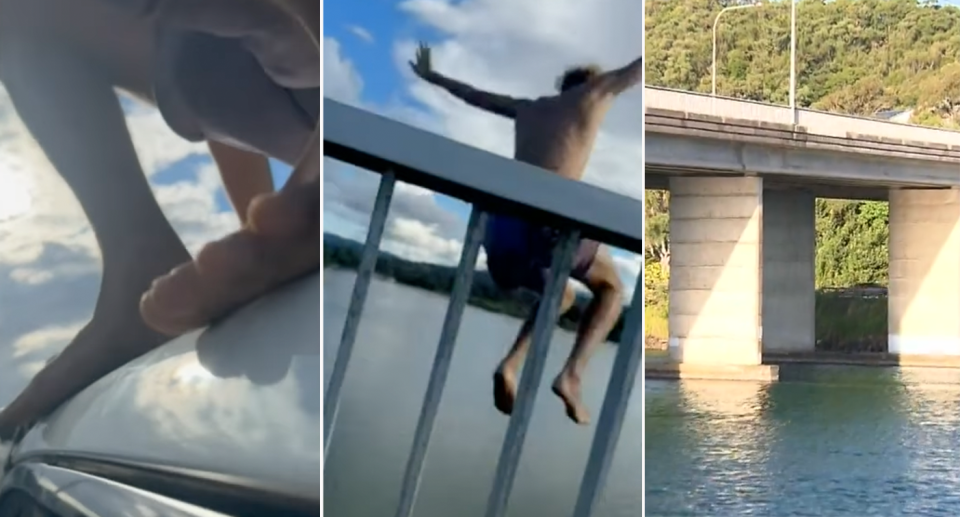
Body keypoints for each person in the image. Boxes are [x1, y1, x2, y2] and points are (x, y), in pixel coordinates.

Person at [0, 0, 320, 440]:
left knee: (18, 20)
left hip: (251, 83)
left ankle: (139, 259)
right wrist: (263, 233)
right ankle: (140, 260)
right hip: (244, 79)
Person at [410, 43, 642, 425]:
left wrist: (432, 75)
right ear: (590, 83)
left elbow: (473, 96)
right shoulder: (595, 93)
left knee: (563, 295)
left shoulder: (529, 106)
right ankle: (571, 375)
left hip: (502, 232)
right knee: (612, 288)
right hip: (549, 226)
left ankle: (510, 366)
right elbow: (637, 68)